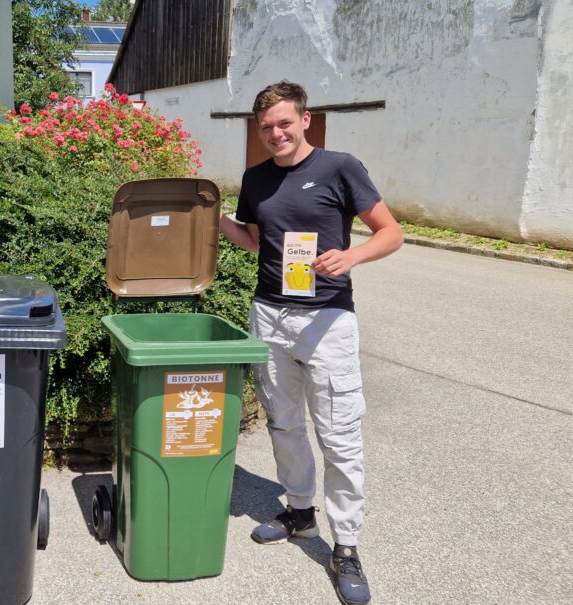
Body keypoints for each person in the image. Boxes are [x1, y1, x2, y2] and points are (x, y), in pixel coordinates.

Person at [219, 81, 402, 605]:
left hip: (327, 321)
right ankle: (299, 512)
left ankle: (345, 544)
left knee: (339, 432)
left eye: (283, 123)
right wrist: (216, 218)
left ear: (304, 120)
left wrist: (352, 257)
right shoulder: (255, 178)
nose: (275, 134)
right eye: (265, 127)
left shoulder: (339, 167)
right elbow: (254, 240)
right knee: (284, 422)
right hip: (270, 315)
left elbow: (390, 232)